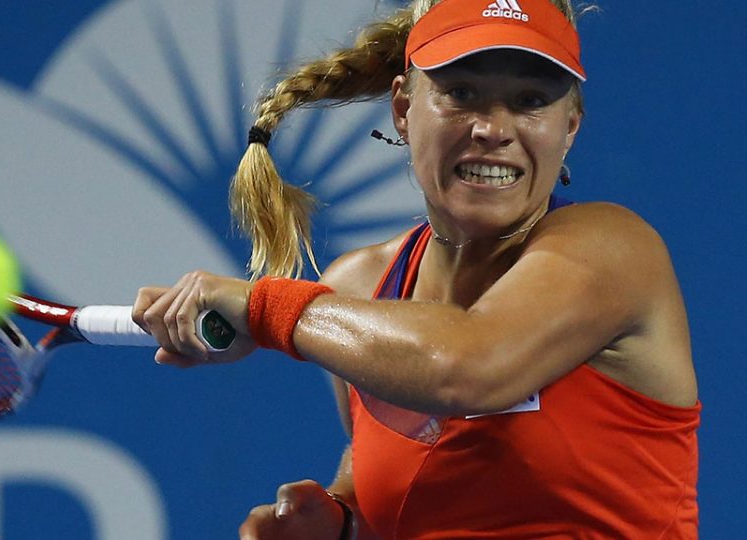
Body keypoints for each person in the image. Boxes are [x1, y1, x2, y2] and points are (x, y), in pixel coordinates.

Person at [133, 0, 701, 537]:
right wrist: (340, 525)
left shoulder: (614, 248)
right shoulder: (356, 289)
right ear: (404, 109)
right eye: (461, 93)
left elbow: (463, 367)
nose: (493, 128)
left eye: (530, 101)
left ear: (569, 127)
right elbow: (396, 492)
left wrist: (266, 310)